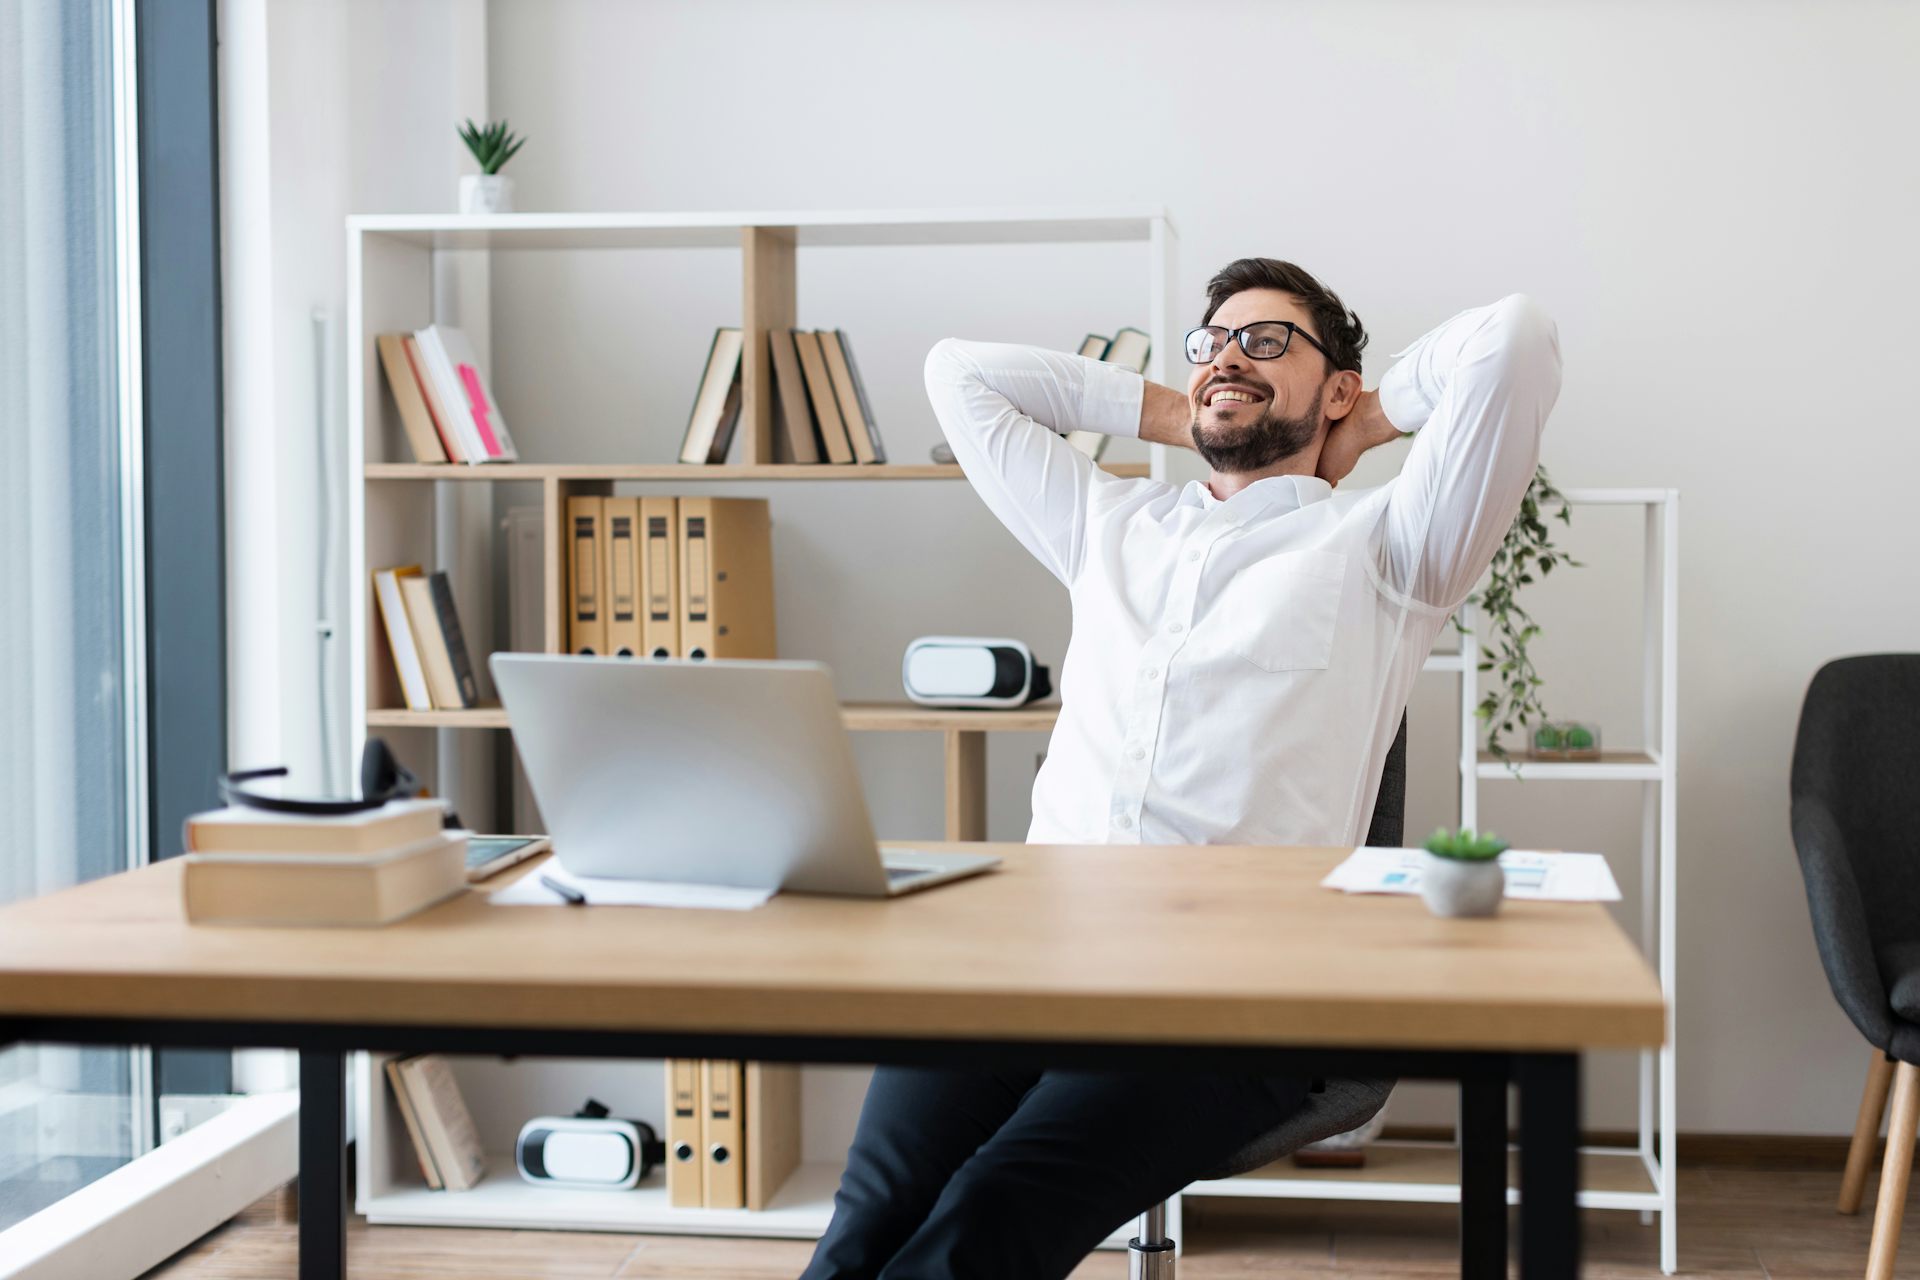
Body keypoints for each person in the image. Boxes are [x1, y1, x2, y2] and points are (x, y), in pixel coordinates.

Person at [799, 259, 1562, 1280]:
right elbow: (957, 374)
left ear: (1336, 385)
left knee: (987, 1214)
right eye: (1212, 342)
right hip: (1024, 946)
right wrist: (1186, 406)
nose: (1228, 358)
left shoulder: (1388, 547)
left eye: (1268, 340)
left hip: (1227, 984)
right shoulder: (1109, 523)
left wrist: (1367, 422)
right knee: (870, 1213)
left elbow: (1512, 339)